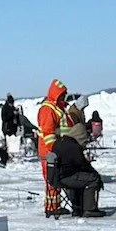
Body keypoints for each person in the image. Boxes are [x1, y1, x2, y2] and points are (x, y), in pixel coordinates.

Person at [35, 79, 70, 216]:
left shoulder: (58, 108)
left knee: (55, 180)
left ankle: (55, 205)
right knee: (51, 180)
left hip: (58, 150)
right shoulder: (48, 109)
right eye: (62, 95)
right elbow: (48, 133)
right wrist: (54, 150)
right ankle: (51, 207)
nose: (63, 97)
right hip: (50, 152)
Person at [49, 131, 105, 216]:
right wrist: (96, 174)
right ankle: (89, 209)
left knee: (79, 178)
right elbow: (83, 165)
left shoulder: (58, 142)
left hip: (55, 178)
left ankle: (77, 207)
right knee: (93, 179)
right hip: (66, 178)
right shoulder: (74, 147)